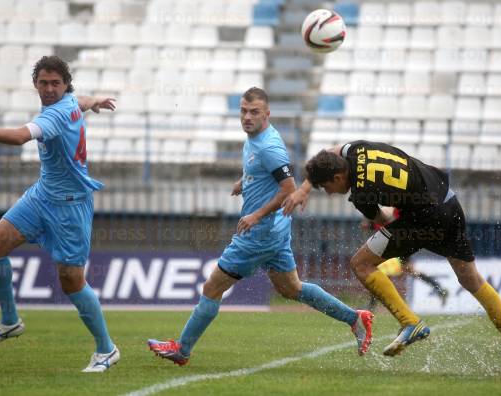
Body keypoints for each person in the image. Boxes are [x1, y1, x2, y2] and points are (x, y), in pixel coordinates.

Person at [147, 88, 374, 366]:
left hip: (258, 234)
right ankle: (355, 318)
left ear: (267, 114)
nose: (247, 116)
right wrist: (245, 182)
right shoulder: (254, 139)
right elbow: (263, 172)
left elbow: (289, 189)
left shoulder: (269, 147)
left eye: (254, 112)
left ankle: (182, 349)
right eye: (243, 110)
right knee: (292, 289)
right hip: (275, 233)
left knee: (212, 287)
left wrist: (256, 215)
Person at [282, 140, 501, 372]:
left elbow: (382, 220)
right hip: (449, 201)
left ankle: (409, 322)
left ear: (338, 176)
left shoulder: (361, 194)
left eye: (326, 187)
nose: (327, 192)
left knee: (361, 264)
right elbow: (333, 150)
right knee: (472, 280)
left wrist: (385, 220)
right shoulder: (354, 149)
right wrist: (306, 186)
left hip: (425, 219)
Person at [0, 55, 119, 372]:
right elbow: (80, 102)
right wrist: (94, 100)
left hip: (70, 206)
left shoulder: (55, 114)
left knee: (71, 282)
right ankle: (10, 320)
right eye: (44, 82)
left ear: (65, 84)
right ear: (36, 84)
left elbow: (18, 137)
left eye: (56, 83)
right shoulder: (70, 102)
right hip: (42, 195)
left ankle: (106, 350)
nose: (50, 88)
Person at [361, 209, 448, 311]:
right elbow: (367, 224)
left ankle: (372, 307)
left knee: (385, 273)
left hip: (397, 246)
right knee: (396, 272)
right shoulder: (378, 219)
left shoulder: (389, 214)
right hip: (393, 246)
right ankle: (439, 288)